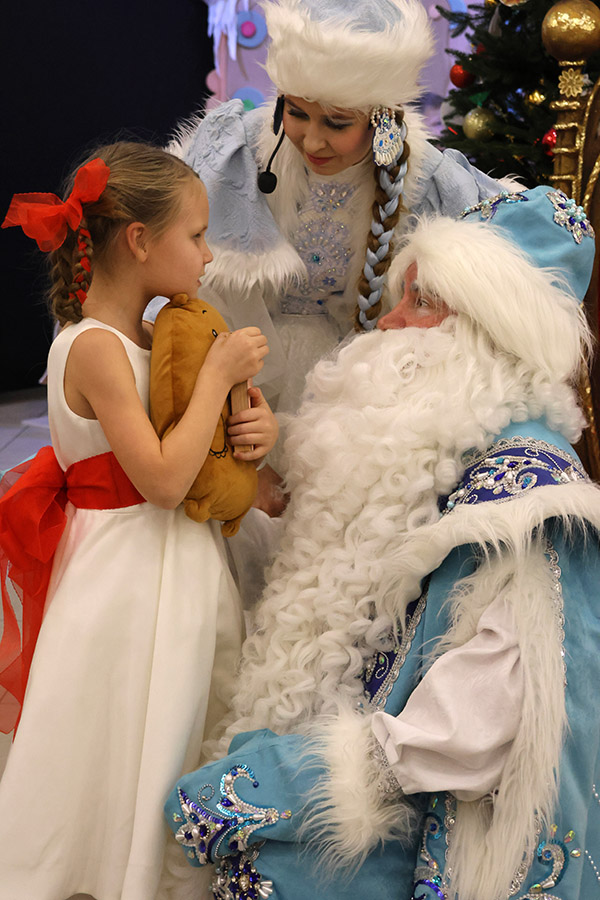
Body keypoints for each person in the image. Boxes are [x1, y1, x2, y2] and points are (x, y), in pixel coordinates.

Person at [163, 185, 600, 900]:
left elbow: (472, 728)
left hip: (423, 826)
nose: (388, 323)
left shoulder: (526, 498)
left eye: (419, 303)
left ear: (488, 334)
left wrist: (272, 782)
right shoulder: (438, 448)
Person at [0, 142, 277, 900]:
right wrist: (217, 375)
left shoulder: (155, 339)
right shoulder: (93, 346)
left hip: (175, 564)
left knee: (180, 715)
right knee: (123, 725)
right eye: (196, 235)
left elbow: (198, 444)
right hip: (125, 574)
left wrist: (253, 426)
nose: (208, 253)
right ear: (140, 241)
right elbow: (160, 479)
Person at [148, 0, 505, 515]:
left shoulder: (428, 181)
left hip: (352, 393)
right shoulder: (237, 151)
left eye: (337, 123)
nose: (312, 139)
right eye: (296, 113)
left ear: (382, 119)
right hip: (232, 370)